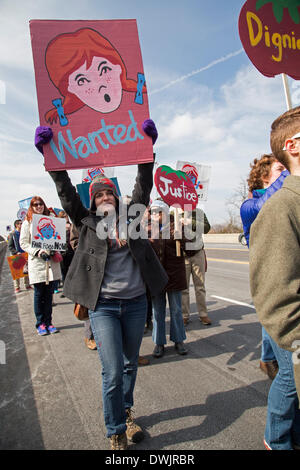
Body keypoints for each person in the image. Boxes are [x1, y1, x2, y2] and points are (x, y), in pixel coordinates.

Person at [34, 120, 168, 450]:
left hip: (136, 303)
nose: (105, 196)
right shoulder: (86, 220)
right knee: (111, 371)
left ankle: (127, 412)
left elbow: (144, 184)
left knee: (128, 365)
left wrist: (145, 149)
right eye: (99, 194)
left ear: (116, 196)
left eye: (108, 191)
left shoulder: (133, 215)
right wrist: (51, 158)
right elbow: (66, 194)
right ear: (92, 202)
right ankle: (116, 429)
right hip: (104, 306)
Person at [249, 105, 300, 450]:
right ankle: (277, 440)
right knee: (289, 380)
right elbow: (277, 300)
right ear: (294, 145)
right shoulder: (279, 207)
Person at [240, 154, 288, 381]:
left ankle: (267, 357)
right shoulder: (249, 206)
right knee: (290, 373)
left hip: (290, 277)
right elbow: (264, 204)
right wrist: (293, 168)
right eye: (280, 169)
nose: (285, 171)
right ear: (264, 177)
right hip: (271, 283)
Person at [149, 199, 188, 358]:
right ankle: (159, 342)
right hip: (156, 276)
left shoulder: (177, 226)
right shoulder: (147, 229)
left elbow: (190, 249)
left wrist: (184, 234)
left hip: (174, 275)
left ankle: (178, 340)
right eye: (153, 212)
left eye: (159, 211)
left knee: (176, 310)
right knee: (157, 311)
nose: (156, 215)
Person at [20, 197, 61, 335]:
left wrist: (56, 248)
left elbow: (57, 238)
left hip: (50, 263)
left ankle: (49, 322)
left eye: (40, 204)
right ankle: (40, 323)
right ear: (32, 207)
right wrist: (37, 252)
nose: (38, 206)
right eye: (35, 205)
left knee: (49, 295)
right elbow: (23, 243)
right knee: (39, 294)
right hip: (37, 263)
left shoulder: (52, 220)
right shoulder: (28, 222)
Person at [181, 207, 211, 326]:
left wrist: (190, 222)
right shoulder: (175, 212)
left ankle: (203, 314)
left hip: (197, 252)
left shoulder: (198, 212)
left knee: (200, 285)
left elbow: (207, 228)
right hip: (182, 255)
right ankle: (184, 315)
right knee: (184, 288)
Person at [69, 222, 97, 351]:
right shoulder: (80, 217)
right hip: (88, 265)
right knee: (89, 303)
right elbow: (74, 241)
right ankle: (89, 336)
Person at [8, 219, 31, 293]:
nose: (22, 225)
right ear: (16, 225)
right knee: (17, 272)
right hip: (17, 255)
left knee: (26, 271)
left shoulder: (24, 233)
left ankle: (27, 285)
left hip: (24, 254)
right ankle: (17, 287)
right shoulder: (13, 234)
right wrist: (16, 252)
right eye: (20, 223)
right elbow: (10, 246)